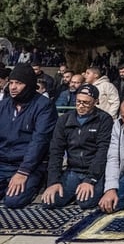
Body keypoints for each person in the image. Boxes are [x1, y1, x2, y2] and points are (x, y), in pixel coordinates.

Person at [42, 84, 113, 209]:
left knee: (86, 203)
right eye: (78, 102)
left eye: (86, 103)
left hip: (95, 171)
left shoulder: (104, 119)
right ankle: (74, 191)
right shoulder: (65, 119)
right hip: (73, 170)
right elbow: (56, 151)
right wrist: (53, 181)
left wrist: (90, 179)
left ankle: (81, 191)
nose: (81, 106)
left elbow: (103, 151)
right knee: (50, 201)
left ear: (96, 102)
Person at [0, 64, 58, 208]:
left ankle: (35, 185)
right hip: (3, 163)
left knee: (13, 201)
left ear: (29, 84)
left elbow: (40, 141)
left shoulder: (44, 106)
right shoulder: (3, 105)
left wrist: (23, 171)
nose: (13, 87)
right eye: (11, 82)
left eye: (19, 83)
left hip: (29, 165)